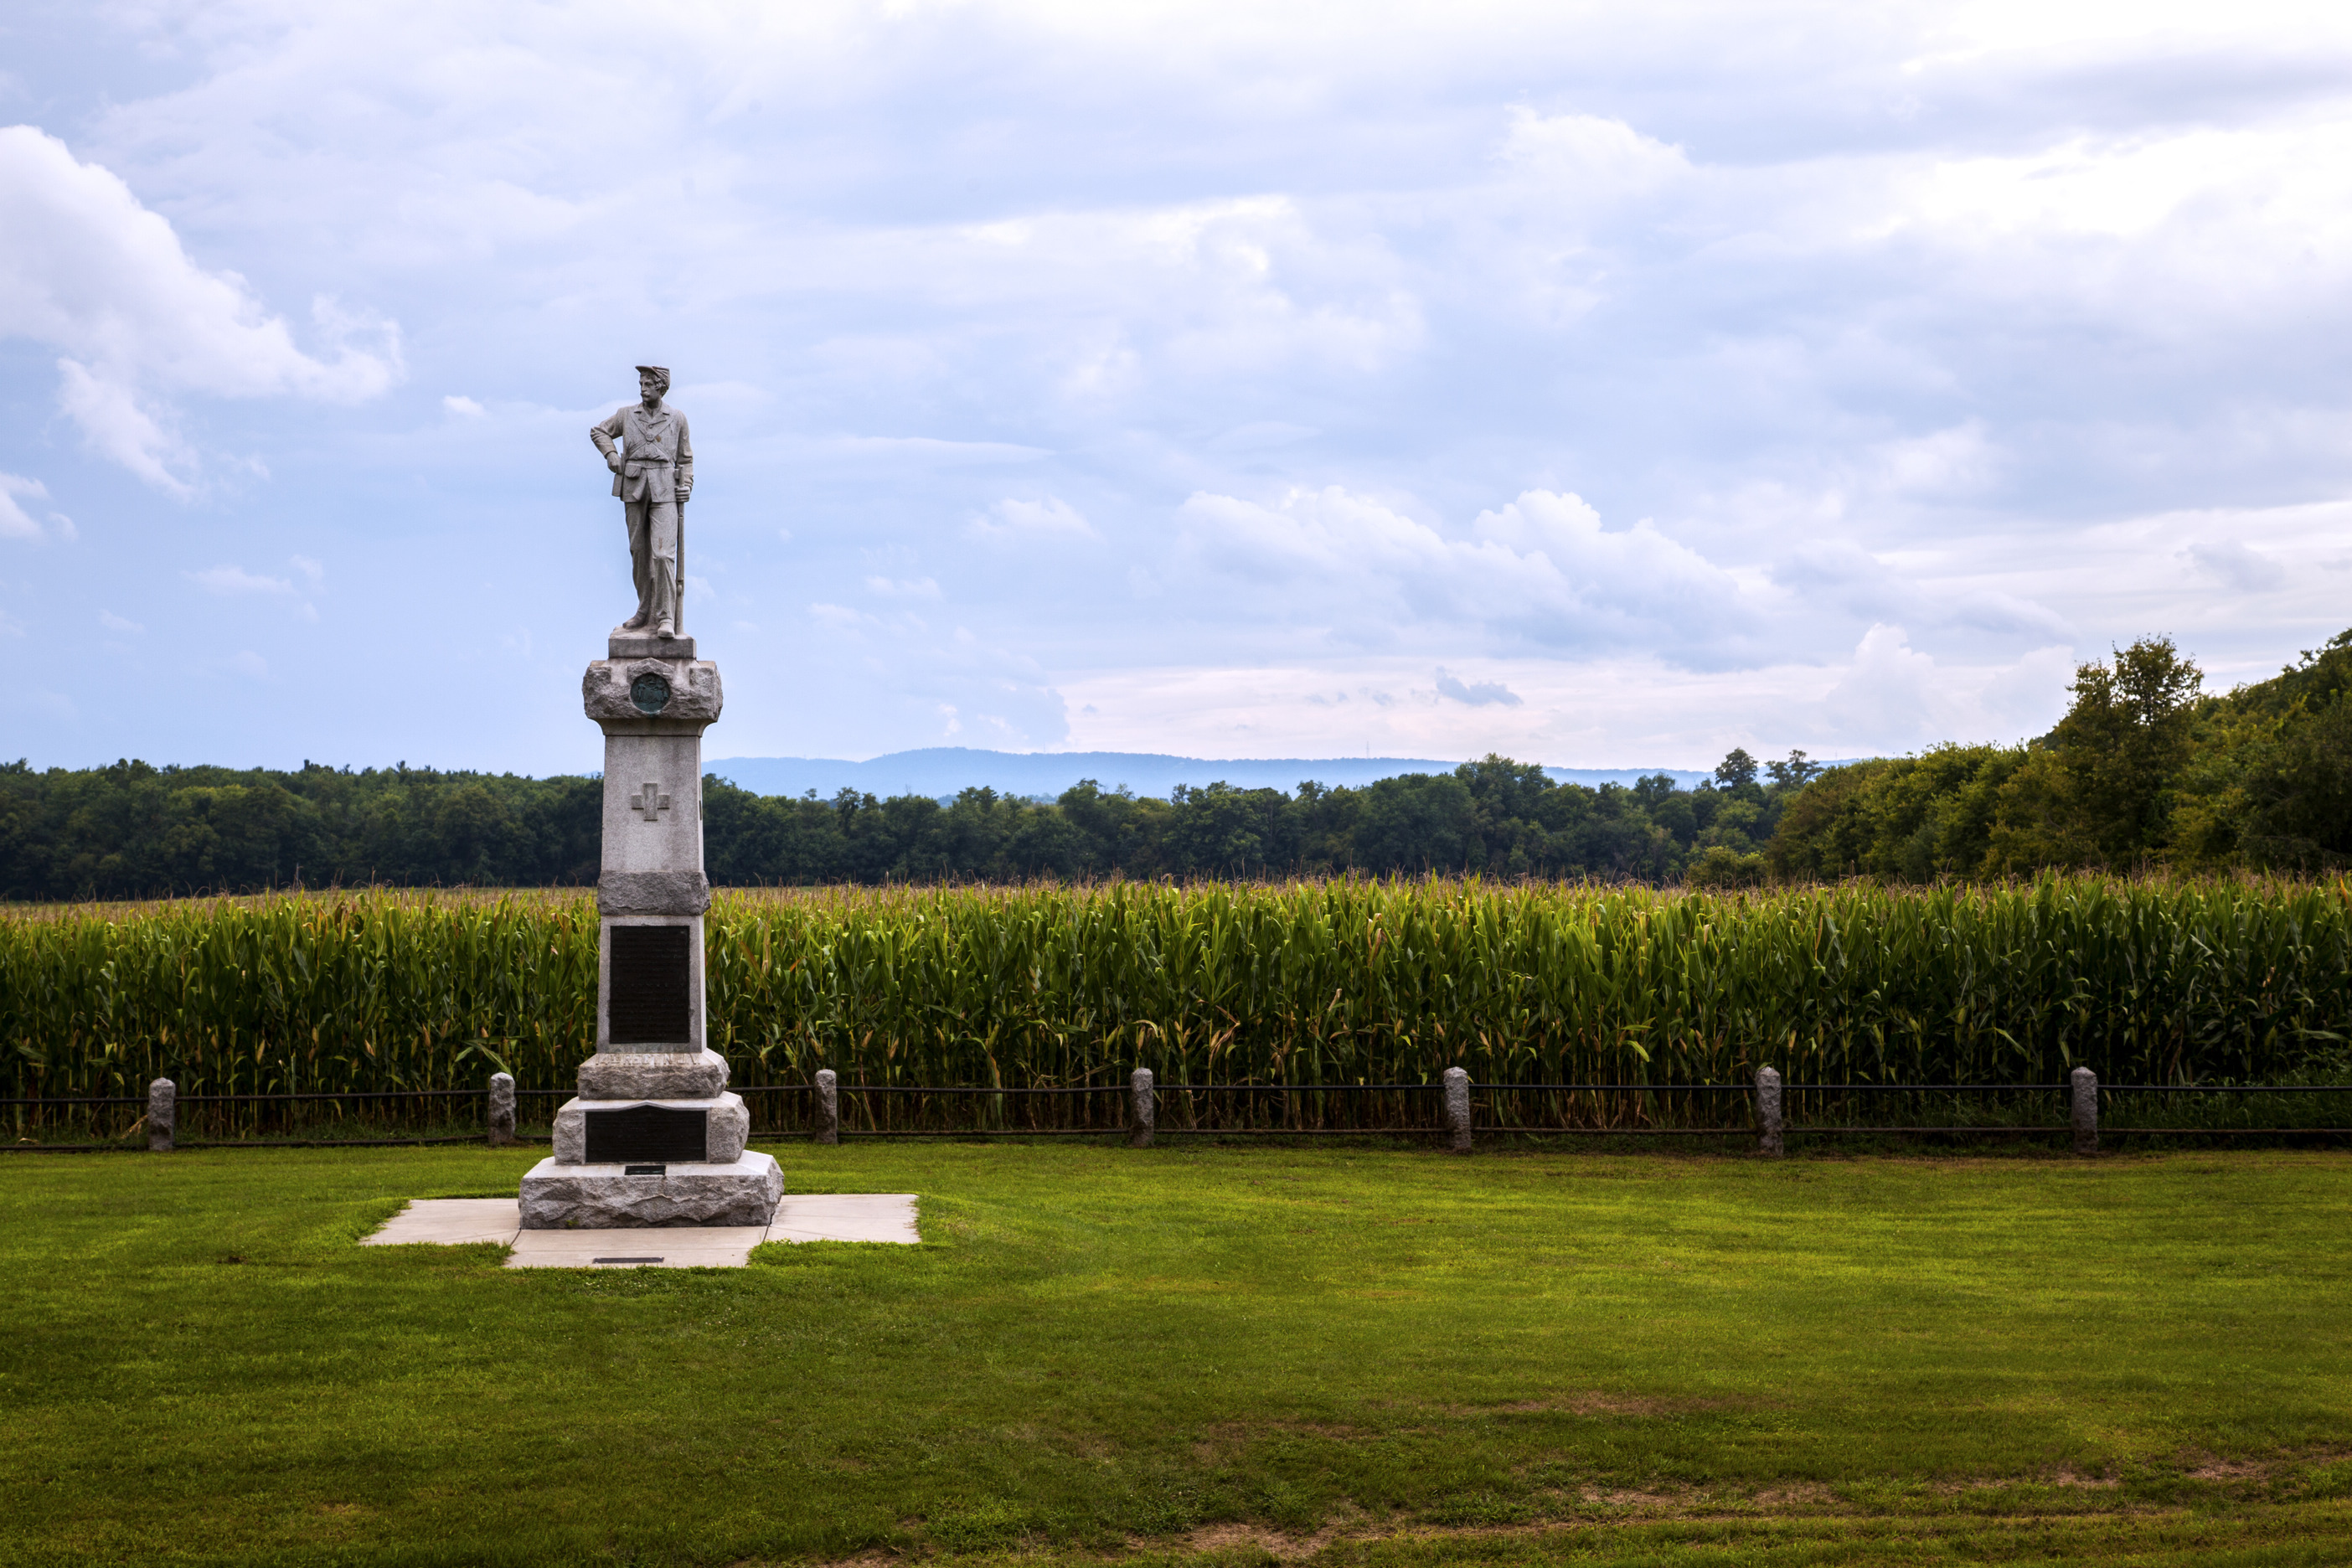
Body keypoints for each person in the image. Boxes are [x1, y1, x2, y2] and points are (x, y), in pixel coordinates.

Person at [590, 365, 694, 637]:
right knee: (639, 554)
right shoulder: (626, 415)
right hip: (634, 486)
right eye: (641, 383)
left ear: (661, 386)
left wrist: (687, 486)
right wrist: (611, 455)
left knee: (662, 556)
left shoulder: (678, 418)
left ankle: (665, 619)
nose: (643, 388)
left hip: (665, 490)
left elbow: (685, 459)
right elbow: (599, 431)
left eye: (648, 383)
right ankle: (644, 611)